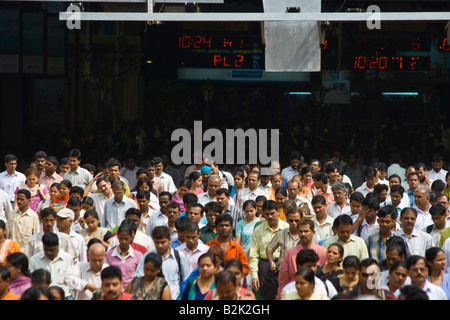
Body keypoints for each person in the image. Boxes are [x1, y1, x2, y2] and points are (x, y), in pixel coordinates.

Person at [248, 200, 289, 299]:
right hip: (264, 267)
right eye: (267, 214)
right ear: (263, 214)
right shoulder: (258, 230)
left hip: (283, 266)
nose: (270, 217)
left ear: (278, 212)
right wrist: (254, 275)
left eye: (272, 213)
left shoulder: (287, 228)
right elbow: (253, 253)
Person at [136, 226, 189, 300]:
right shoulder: (146, 257)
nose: (160, 246)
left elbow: (185, 280)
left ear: (170, 240)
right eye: (157, 242)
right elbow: (139, 278)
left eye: (163, 242)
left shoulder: (180, 257)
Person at [278, 219, 327, 293]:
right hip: (294, 291)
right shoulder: (290, 254)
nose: (303, 234)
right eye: (300, 231)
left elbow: (327, 274)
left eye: (306, 231)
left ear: (313, 232)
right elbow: (283, 278)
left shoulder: (322, 252)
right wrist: (281, 293)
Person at [28, 232, 74, 298]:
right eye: (46, 249)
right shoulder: (34, 260)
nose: (48, 252)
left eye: (52, 250)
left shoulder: (67, 258)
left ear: (58, 246)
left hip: (65, 296)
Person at [105, 220, 143, 289]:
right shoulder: (108, 255)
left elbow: (140, 276)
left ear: (131, 237)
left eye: (126, 239)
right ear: (117, 237)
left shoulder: (138, 256)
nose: (123, 241)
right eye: (121, 238)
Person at [266, 207, 302, 274]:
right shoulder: (281, 234)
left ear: (301, 220)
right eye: (291, 220)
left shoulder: (306, 235)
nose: (294, 223)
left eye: (296, 220)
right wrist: (271, 262)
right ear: (287, 220)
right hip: (284, 272)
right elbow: (269, 249)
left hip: (301, 273)